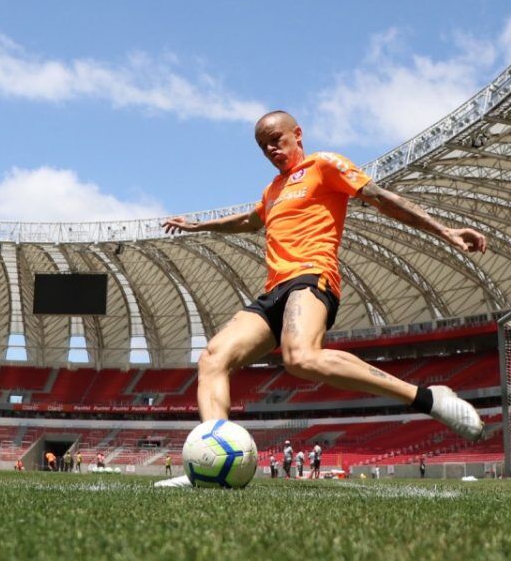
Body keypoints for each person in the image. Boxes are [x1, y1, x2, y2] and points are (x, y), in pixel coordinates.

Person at [157, 111, 487, 488]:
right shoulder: (273, 190)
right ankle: (209, 460)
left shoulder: (324, 165)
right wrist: (199, 226)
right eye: (263, 146)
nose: (271, 149)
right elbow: (250, 220)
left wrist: (444, 229)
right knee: (213, 358)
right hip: (275, 291)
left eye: (277, 140)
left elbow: (380, 198)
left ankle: (429, 399)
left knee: (300, 357)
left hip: (312, 278)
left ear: (297, 134)